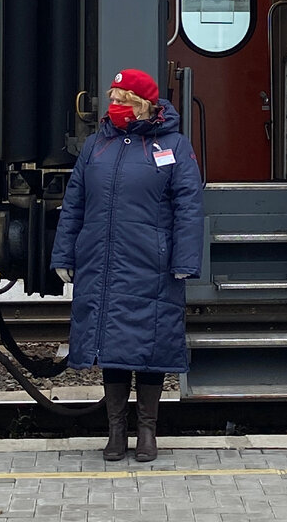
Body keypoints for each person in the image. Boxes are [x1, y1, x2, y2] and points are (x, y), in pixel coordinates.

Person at [51, 68, 204, 462]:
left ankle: (148, 433)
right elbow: (75, 204)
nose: (114, 105)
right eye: (113, 98)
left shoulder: (174, 145)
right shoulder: (97, 146)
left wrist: (185, 260)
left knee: (151, 347)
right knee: (112, 347)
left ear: (143, 104)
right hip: (103, 263)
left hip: (152, 264)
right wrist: (64, 255)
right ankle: (116, 433)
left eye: (122, 99)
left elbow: (189, 207)